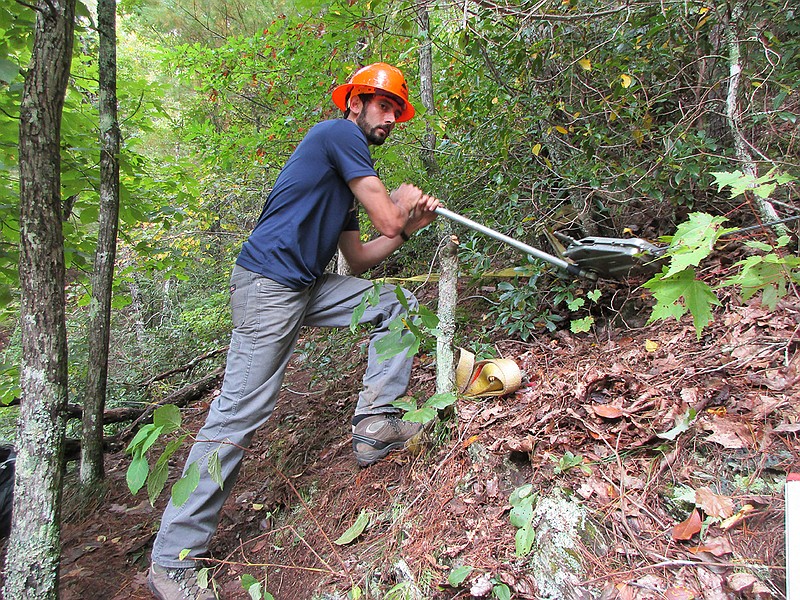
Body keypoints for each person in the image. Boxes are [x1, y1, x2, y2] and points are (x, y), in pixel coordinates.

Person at [147, 62, 440, 600]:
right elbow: (387, 219)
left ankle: (376, 425)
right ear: (354, 104)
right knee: (238, 413)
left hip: (304, 285)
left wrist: (407, 227)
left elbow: (358, 257)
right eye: (382, 104)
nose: (390, 116)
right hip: (266, 286)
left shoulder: (345, 171)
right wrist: (398, 207)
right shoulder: (335, 135)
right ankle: (173, 561)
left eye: (396, 109)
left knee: (393, 302)